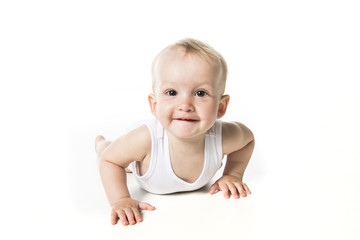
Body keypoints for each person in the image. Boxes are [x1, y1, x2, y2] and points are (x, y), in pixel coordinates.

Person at [95, 38, 255, 226]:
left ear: (221, 107)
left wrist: (233, 174)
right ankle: (100, 143)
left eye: (200, 93)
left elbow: (248, 140)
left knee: (126, 156)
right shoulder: (145, 139)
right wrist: (120, 199)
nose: (185, 105)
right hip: (144, 154)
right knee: (113, 152)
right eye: (172, 93)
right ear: (154, 105)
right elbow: (110, 160)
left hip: (144, 156)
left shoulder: (223, 137)